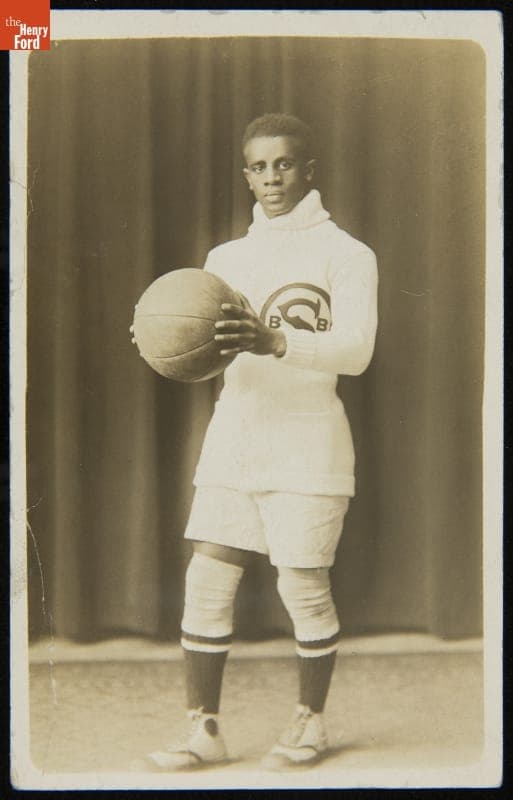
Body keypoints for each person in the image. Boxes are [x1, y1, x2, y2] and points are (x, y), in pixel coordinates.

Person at [142, 112, 378, 771]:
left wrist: (275, 340)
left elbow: (356, 351)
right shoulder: (226, 259)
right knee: (205, 584)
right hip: (235, 439)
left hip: (309, 444)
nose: (269, 177)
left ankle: (311, 722)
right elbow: (206, 351)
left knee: (301, 586)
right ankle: (203, 729)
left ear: (309, 169)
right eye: (257, 166)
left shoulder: (347, 254)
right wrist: (164, 344)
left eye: (282, 164)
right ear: (245, 173)